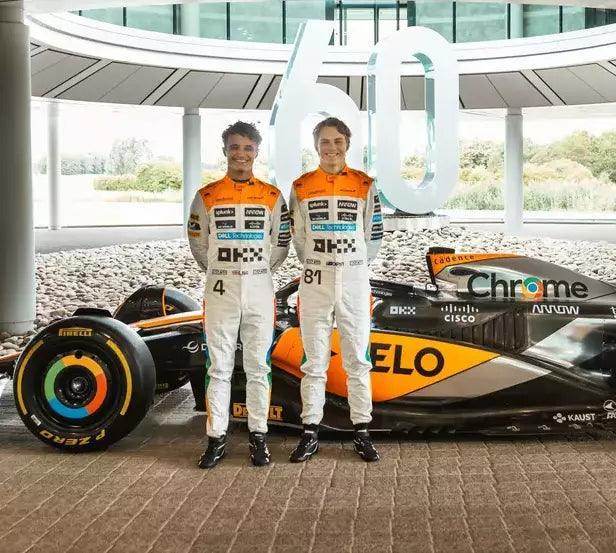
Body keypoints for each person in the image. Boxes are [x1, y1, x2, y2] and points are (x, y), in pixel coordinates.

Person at [187, 121, 290, 468]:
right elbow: (198, 244)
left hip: (260, 287)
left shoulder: (272, 196)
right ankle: (216, 438)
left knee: (259, 366)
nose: (241, 154)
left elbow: (281, 245)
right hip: (221, 289)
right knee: (219, 366)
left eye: (248, 148)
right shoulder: (206, 195)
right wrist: (222, 270)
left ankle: (258, 436)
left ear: (256, 152)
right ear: (225, 151)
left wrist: (256, 271)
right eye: (235, 147)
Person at [288, 117, 383, 463]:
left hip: (354, 280)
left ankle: (362, 431)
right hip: (315, 281)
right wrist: (319, 262)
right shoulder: (301, 186)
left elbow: (373, 234)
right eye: (325, 142)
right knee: (314, 361)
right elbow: (299, 238)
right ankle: (310, 431)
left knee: (358, 359)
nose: (331, 148)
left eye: (338, 141)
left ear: (348, 144)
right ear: (316, 146)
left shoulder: (364, 183)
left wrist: (352, 264)